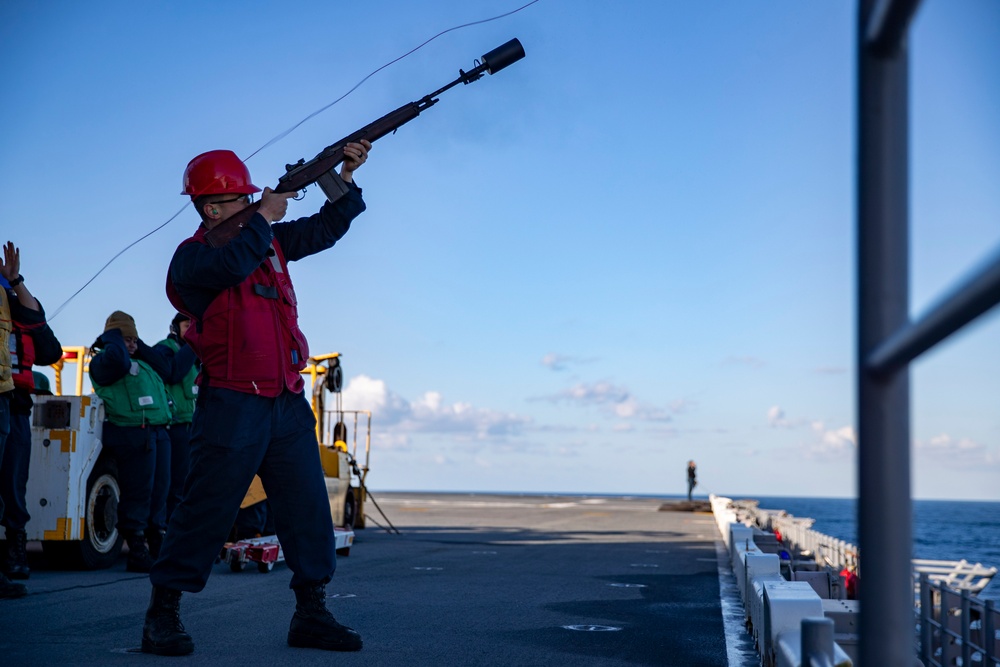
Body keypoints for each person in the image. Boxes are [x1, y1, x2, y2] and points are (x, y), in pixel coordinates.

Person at [143, 142, 372, 656]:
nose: (247, 206)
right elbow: (229, 266)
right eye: (237, 201)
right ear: (210, 209)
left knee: (308, 510)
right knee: (205, 510)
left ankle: (311, 612)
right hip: (232, 402)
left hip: (285, 399)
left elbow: (326, 228)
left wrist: (344, 178)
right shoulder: (193, 257)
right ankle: (162, 614)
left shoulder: (264, 239)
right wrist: (264, 217)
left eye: (250, 199)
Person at [89, 311, 174, 572]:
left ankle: (155, 540)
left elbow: (165, 368)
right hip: (131, 433)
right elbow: (119, 360)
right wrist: (113, 339)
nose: (132, 345)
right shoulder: (106, 362)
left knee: (159, 491)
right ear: (111, 339)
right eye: (126, 339)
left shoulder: (142, 362)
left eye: (134, 339)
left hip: (157, 432)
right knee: (138, 491)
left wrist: (136, 342)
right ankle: (136, 547)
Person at [0, 247, 63, 581]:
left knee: (12, 482)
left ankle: (15, 546)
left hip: (15, 406)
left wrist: (16, 282)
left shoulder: (20, 311)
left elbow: (50, 351)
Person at [153, 313, 198, 525]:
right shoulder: (165, 348)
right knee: (173, 484)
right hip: (174, 426)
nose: (191, 329)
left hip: (193, 426)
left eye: (194, 326)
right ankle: (168, 529)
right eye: (187, 325)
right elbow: (172, 373)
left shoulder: (197, 355)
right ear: (175, 327)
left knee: (189, 484)